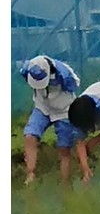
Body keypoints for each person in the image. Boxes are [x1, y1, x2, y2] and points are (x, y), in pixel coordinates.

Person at [19, 55, 80, 185]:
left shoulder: (64, 73)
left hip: (64, 111)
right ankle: (30, 175)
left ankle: (65, 184)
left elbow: (75, 85)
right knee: (30, 135)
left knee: (64, 148)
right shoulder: (28, 68)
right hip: (42, 107)